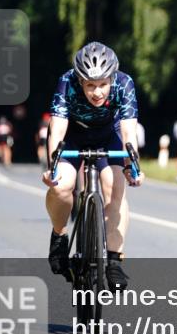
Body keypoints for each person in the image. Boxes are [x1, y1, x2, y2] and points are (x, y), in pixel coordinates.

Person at [42, 41, 143, 290]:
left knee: (114, 187)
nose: (97, 92)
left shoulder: (124, 82)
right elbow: (58, 126)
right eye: (89, 85)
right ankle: (59, 236)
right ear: (80, 80)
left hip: (110, 134)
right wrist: (52, 166)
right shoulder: (66, 82)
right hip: (74, 134)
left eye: (102, 85)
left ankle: (114, 260)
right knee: (61, 186)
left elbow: (129, 130)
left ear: (112, 78)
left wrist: (133, 166)